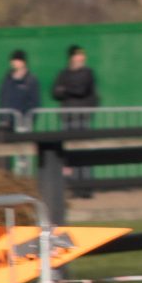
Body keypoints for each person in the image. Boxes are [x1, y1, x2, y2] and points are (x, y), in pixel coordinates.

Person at [51, 44, 100, 197]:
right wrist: (67, 90)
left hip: (82, 116)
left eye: (82, 55)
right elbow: (55, 92)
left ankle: (85, 187)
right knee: (69, 154)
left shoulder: (87, 73)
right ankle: (72, 187)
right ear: (72, 57)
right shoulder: (63, 73)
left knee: (84, 151)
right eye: (78, 55)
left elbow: (82, 90)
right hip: (68, 117)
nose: (81, 57)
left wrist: (66, 90)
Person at [0, 51, 41, 135]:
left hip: (23, 123)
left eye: (17, 60)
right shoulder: (7, 79)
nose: (14, 63)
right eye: (13, 60)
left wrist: (28, 120)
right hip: (7, 123)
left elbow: (34, 102)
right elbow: (2, 98)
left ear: (23, 62)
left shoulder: (30, 80)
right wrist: (2, 118)